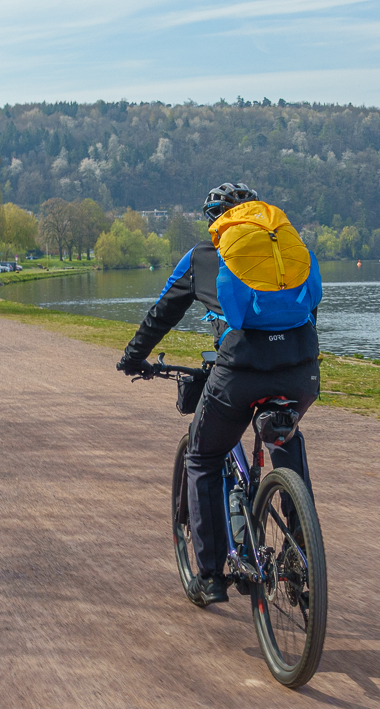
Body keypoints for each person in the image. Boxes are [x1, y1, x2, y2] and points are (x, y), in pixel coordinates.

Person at [117, 183, 321, 605]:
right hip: (301, 371)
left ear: (216, 220)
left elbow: (162, 312)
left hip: (241, 373)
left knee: (204, 455)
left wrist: (134, 357)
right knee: (286, 436)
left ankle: (209, 576)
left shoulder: (203, 257)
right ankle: (302, 552)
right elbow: (310, 307)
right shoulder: (286, 247)